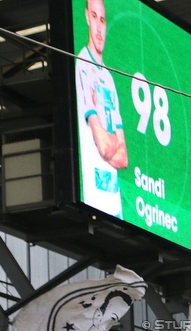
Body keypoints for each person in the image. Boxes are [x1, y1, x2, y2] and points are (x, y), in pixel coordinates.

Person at [76, 0, 128, 218]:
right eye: (94, 17)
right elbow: (105, 147)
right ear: (87, 17)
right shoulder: (82, 64)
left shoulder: (108, 77)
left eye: (103, 20)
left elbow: (123, 158)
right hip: (94, 201)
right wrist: (110, 139)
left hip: (116, 206)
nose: (99, 27)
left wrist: (109, 140)